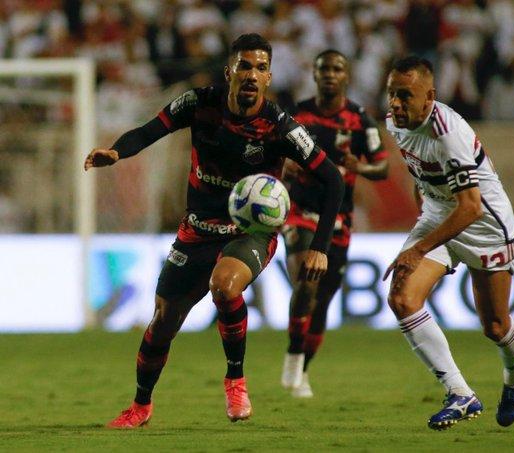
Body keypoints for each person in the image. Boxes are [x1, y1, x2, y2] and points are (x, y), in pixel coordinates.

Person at [84, 33, 344, 428]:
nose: (251, 74)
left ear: (269, 77)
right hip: (196, 229)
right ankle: (141, 405)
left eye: (260, 67)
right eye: (244, 66)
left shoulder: (278, 126)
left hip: (250, 232)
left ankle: (235, 379)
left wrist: (320, 246)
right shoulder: (200, 103)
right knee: (163, 322)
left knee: (225, 285)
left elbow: (333, 180)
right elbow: (150, 130)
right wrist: (118, 151)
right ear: (230, 72)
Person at [382, 56, 514, 430]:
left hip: (484, 228)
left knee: (495, 327)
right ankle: (460, 393)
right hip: (438, 215)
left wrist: (416, 248)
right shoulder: (395, 124)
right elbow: (422, 175)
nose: (396, 104)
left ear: (430, 96)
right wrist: (423, 227)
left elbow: (471, 207)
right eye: (391, 95)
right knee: (402, 298)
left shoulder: (449, 135)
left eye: (405, 96)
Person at [279, 49, 389, 397]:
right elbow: (274, 151)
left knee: (323, 300)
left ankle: (303, 369)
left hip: (338, 217)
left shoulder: (360, 121)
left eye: (337, 69)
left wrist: (361, 168)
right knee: (305, 279)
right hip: (298, 209)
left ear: (346, 76)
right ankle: (294, 352)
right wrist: (285, 164)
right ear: (314, 74)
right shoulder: (298, 114)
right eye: (324, 68)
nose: (330, 74)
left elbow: (382, 167)